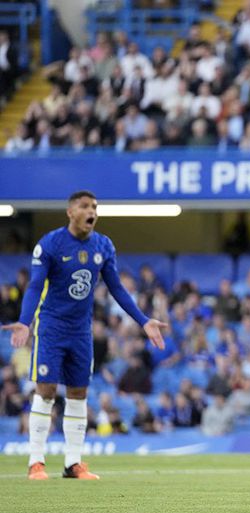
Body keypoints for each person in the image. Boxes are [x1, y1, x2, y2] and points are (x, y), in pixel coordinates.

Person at [2, 191, 168, 480]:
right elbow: (33, 287)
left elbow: (116, 288)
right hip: (52, 328)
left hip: (81, 331)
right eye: (85, 206)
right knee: (46, 390)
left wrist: (143, 321)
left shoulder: (103, 246)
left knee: (79, 393)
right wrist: (25, 322)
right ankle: (36, 462)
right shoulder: (50, 244)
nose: (92, 210)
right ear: (70, 212)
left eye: (94, 206)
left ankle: (73, 462)